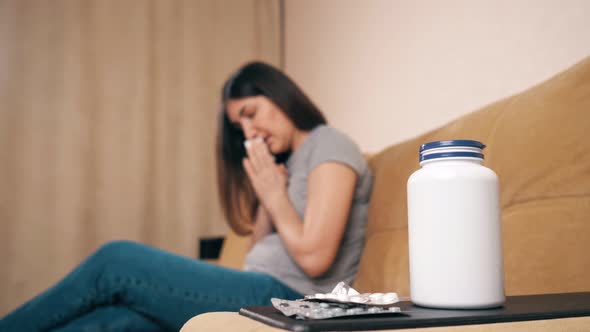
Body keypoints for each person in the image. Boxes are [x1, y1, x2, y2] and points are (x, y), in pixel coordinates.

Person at [0, 61, 373, 332]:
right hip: (263, 286)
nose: (249, 131)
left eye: (250, 112)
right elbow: (261, 253)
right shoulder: (287, 163)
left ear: (278, 96)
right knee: (115, 322)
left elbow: (315, 258)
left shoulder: (329, 143)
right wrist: (266, 198)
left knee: (117, 261)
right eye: (239, 125)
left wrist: (274, 195)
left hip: (292, 301)